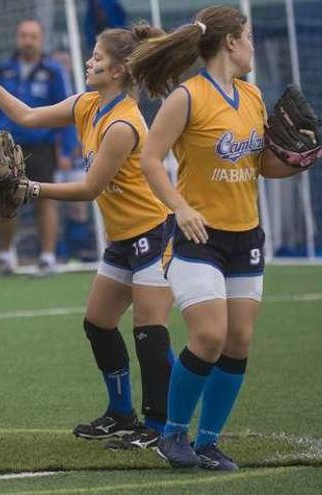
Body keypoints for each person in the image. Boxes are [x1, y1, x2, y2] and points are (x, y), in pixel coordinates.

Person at [0, 23, 175, 451]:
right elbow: (27, 115)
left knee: (150, 332)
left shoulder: (123, 123)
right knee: (98, 323)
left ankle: (161, 428)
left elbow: (89, 189)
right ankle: (122, 414)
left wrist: (30, 188)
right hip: (123, 239)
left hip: (155, 236)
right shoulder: (87, 105)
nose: (89, 62)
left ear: (119, 70)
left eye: (98, 58)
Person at [131, 5, 310, 470]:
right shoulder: (187, 97)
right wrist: (181, 206)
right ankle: (172, 435)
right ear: (231, 42)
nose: (252, 44)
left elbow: (260, 166)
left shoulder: (251, 96)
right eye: (247, 36)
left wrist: (297, 159)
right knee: (208, 336)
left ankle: (207, 441)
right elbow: (151, 159)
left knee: (238, 342)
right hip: (198, 237)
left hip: (245, 236)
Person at [0, 19, 78, 275]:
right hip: (6, 146)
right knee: (4, 200)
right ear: (17, 38)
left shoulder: (54, 71)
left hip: (42, 144)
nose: (28, 40)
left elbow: (69, 110)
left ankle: (46, 257)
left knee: (44, 199)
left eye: (33, 36)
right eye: (23, 35)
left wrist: (67, 148)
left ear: (41, 39)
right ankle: (5, 256)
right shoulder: (3, 70)